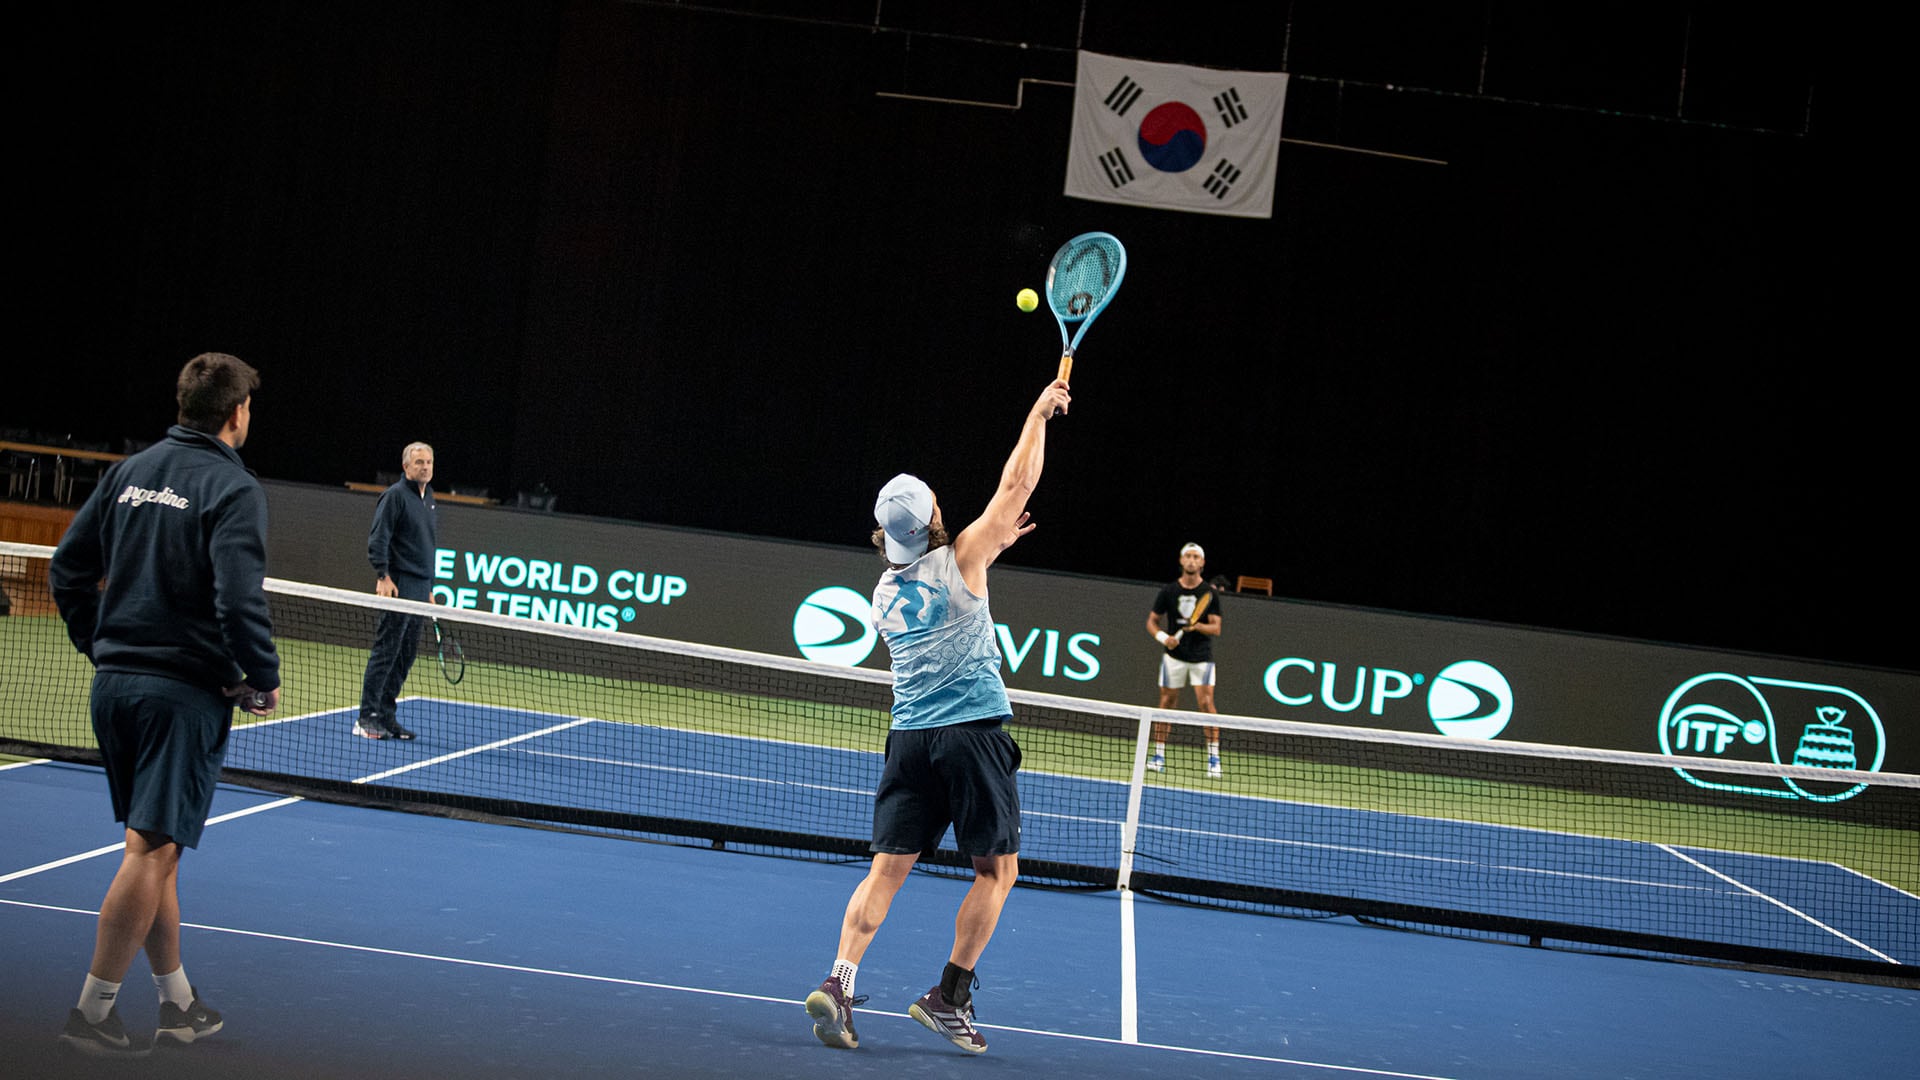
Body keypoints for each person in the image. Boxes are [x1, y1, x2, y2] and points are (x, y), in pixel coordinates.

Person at [804, 377, 1072, 1056]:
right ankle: (949, 998)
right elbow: (1016, 487)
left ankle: (838, 982)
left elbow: (946, 580)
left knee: (886, 870)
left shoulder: (883, 594)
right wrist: (1038, 413)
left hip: (909, 742)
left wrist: (986, 553)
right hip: (972, 737)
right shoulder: (964, 556)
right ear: (934, 518)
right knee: (996, 872)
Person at [48, 352, 281, 1056]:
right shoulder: (232, 487)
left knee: (156, 848)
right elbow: (238, 601)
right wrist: (260, 675)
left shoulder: (130, 472)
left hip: (115, 689)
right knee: (150, 849)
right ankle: (92, 1013)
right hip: (180, 698)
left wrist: (104, 647)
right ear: (237, 413)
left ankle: (178, 1006)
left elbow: (66, 570)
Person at [356, 441, 436, 740]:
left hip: (420, 588)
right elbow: (378, 539)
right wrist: (383, 574)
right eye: (419, 463)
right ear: (406, 467)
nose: (425, 466)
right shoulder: (394, 497)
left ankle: (387, 715)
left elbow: (427, 545)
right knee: (386, 651)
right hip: (399, 585)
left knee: (406, 654)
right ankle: (367, 716)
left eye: (428, 462)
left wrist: (429, 586)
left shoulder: (429, 499)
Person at [1145, 542, 1224, 778]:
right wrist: (1163, 638)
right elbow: (1151, 621)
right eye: (1187, 556)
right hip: (1173, 657)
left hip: (1201, 658)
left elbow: (1216, 628)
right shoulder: (1169, 591)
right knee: (1166, 704)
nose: (1191, 560)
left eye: (1195, 557)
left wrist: (1198, 625)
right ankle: (1158, 756)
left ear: (1202, 563)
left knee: (1206, 704)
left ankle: (1214, 758)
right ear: (1181, 561)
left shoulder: (1209, 594)